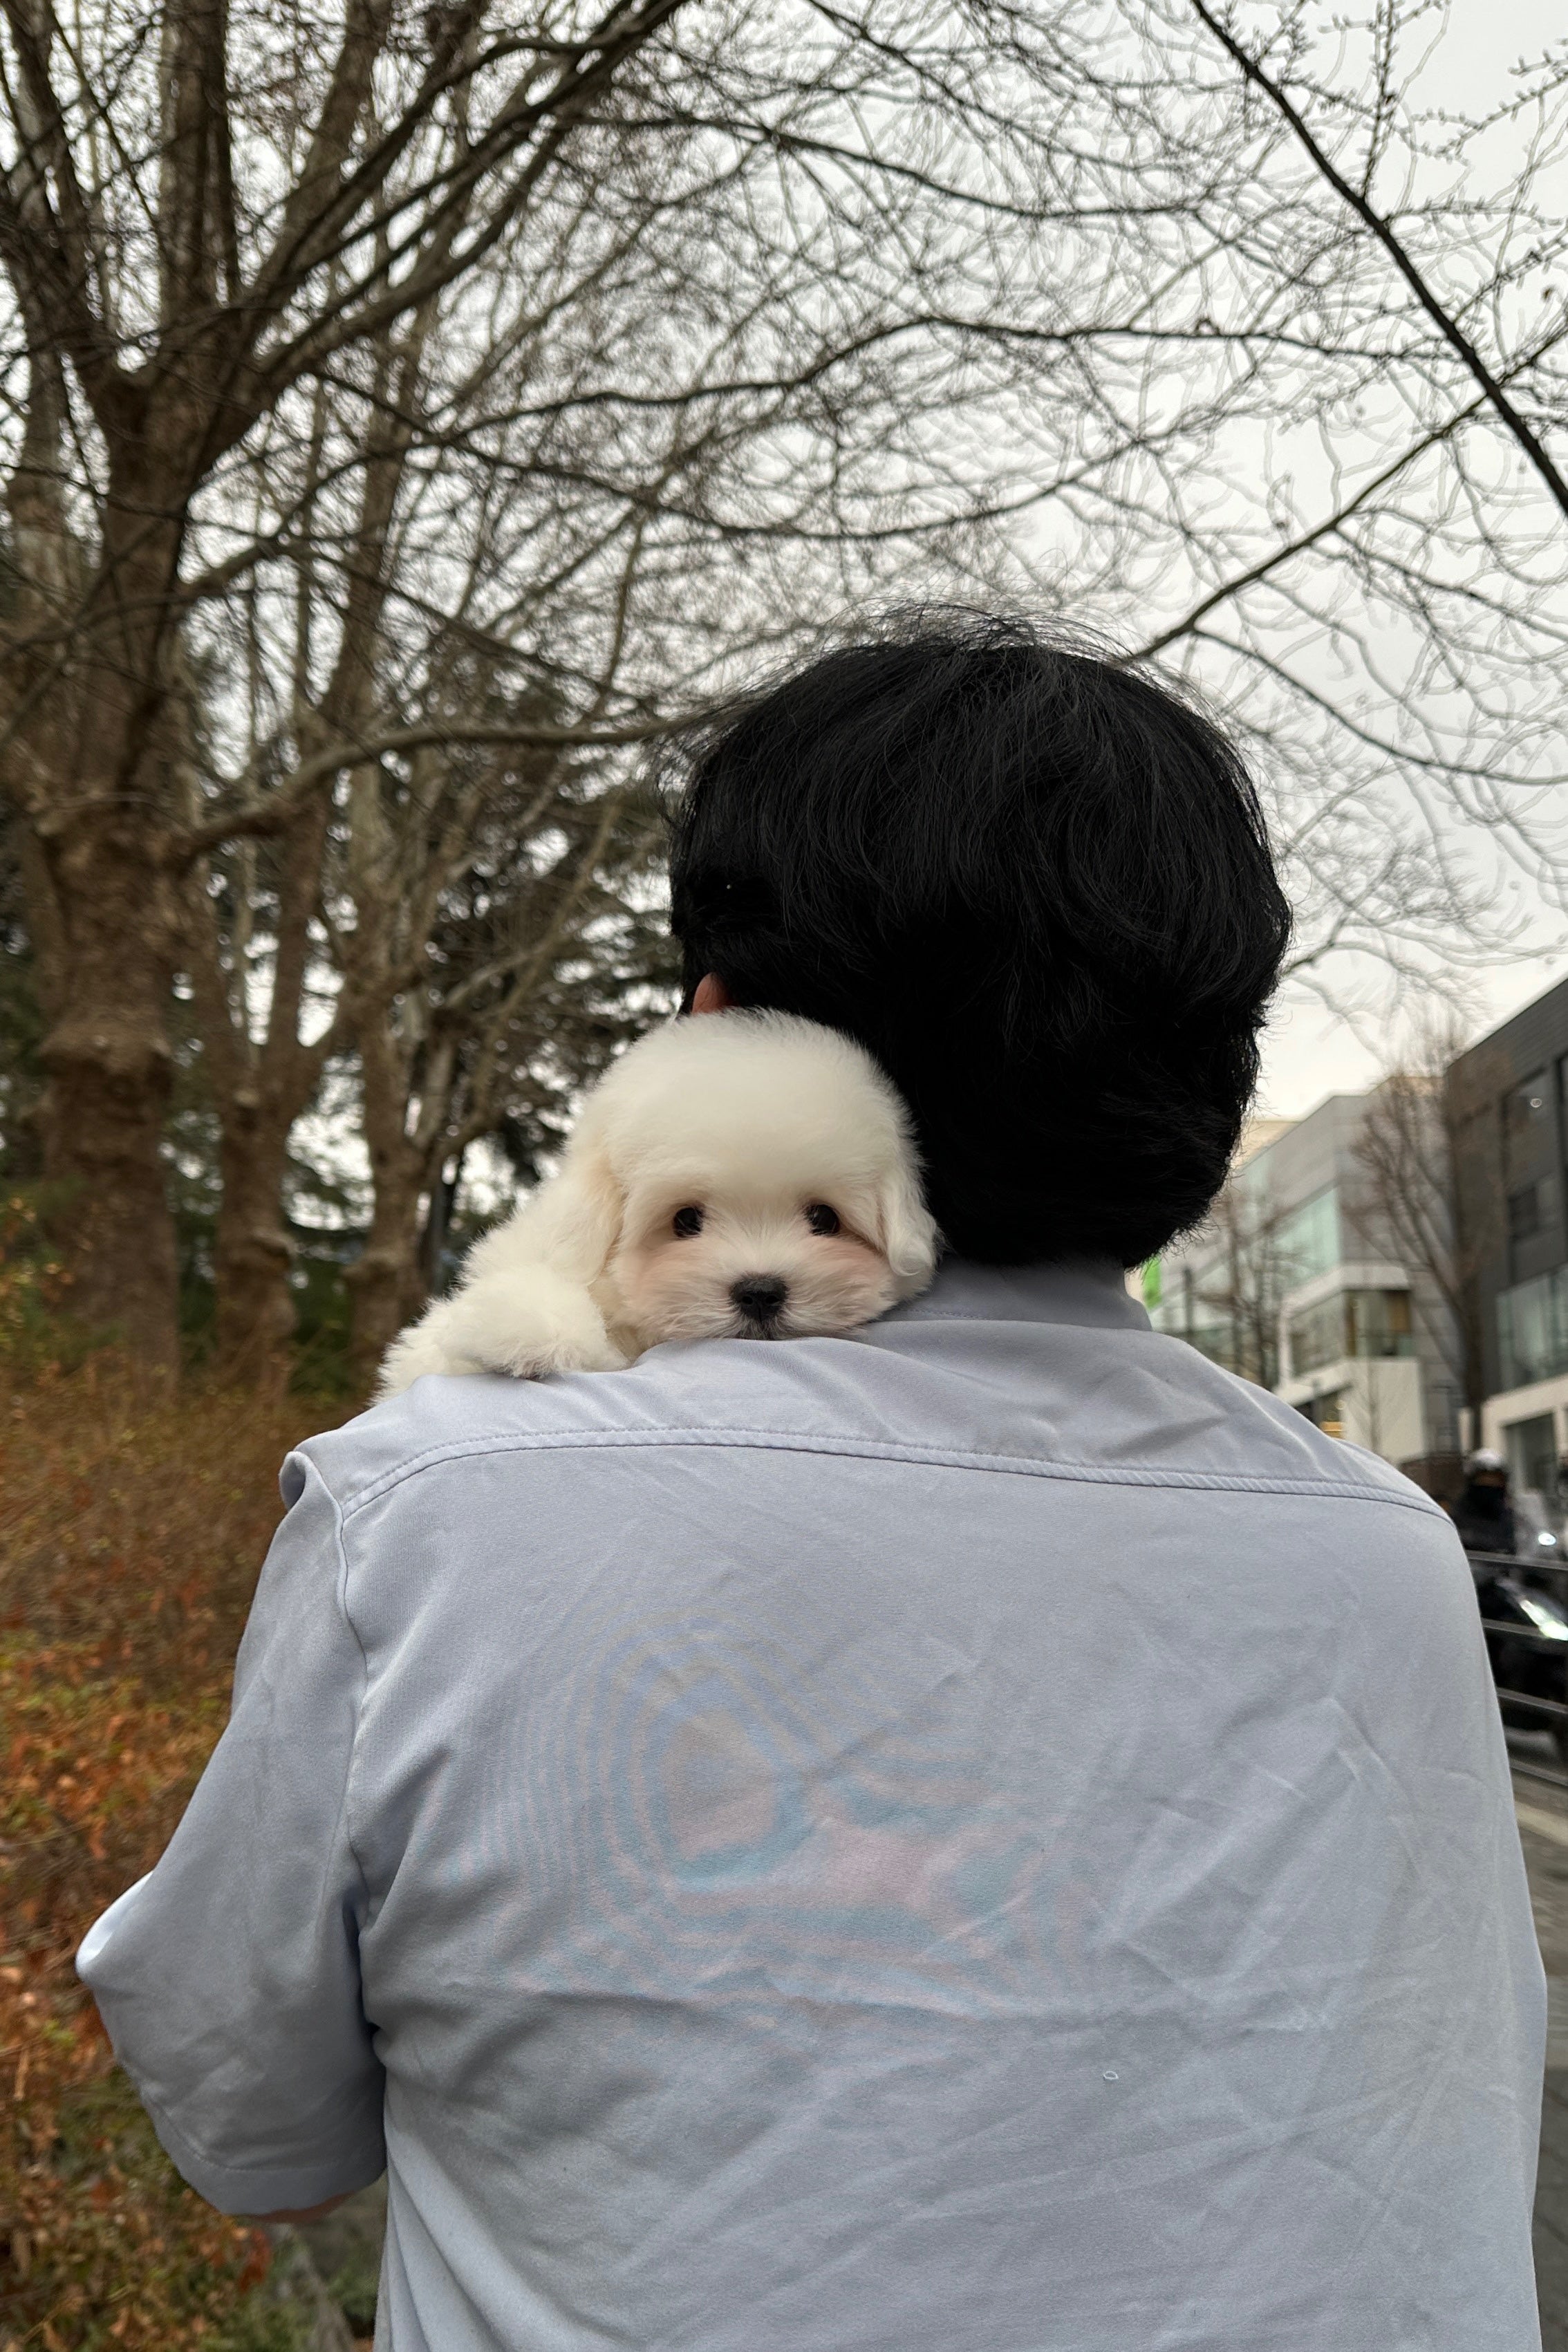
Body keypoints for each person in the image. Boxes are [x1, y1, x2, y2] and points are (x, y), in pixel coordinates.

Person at [79, 615, 1543, 2351]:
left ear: (716, 1038)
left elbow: (255, 2124)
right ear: (1206, 1100)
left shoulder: (434, 1518)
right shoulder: (1390, 1556)